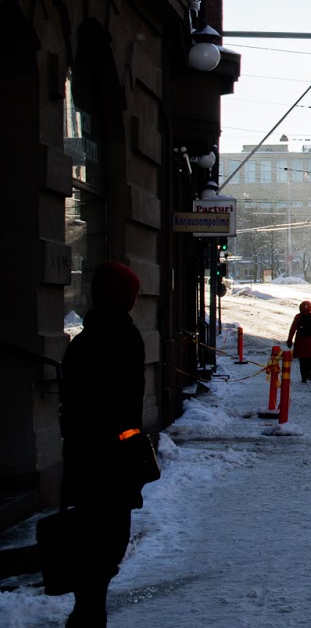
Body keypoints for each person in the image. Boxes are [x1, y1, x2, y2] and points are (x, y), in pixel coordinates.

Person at [59, 261, 147, 628]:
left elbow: (71, 405)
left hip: (83, 459)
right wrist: (131, 448)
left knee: (89, 546)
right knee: (107, 546)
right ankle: (88, 616)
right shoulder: (125, 338)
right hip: (112, 463)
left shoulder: (84, 340)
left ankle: (87, 611)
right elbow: (127, 410)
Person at [285, 300, 311, 382]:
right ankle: (310, 372)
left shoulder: (298, 317)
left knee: (302, 360)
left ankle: (304, 377)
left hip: (300, 341)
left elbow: (293, 329)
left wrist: (289, 340)